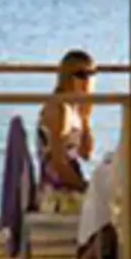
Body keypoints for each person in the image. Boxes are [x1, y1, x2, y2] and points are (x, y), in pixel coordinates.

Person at [37, 49, 97, 207]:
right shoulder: (60, 108)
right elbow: (58, 162)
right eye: (81, 75)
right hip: (56, 191)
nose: (87, 80)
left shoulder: (74, 107)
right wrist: (85, 188)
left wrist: (86, 119)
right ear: (66, 77)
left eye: (92, 74)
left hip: (69, 182)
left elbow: (86, 154)